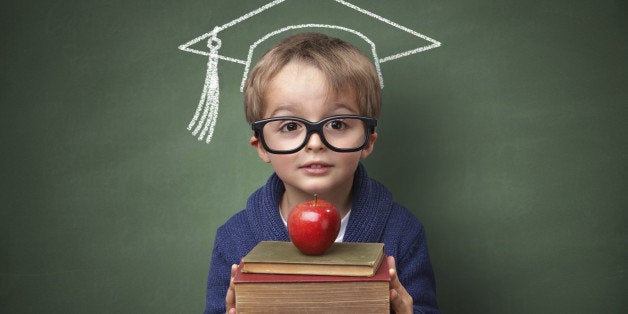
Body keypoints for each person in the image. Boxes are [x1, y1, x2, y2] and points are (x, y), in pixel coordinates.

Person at [203, 32, 439, 314]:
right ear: (262, 146)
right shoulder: (235, 238)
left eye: (337, 124)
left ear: (368, 140)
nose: (315, 143)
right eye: (290, 126)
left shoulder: (402, 231)